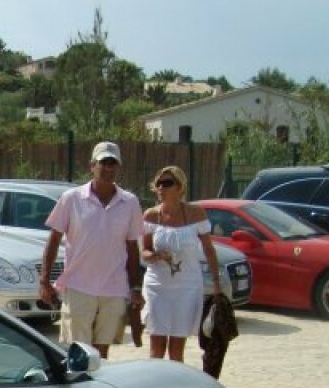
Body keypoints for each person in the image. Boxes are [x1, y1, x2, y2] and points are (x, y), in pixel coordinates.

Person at [39, 141, 145, 358]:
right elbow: (54, 239)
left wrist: (135, 287)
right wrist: (44, 281)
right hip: (78, 285)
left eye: (113, 164)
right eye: (103, 163)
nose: (108, 169)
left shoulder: (130, 202)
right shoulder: (72, 198)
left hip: (114, 287)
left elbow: (132, 247)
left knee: (102, 351)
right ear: (92, 166)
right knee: (79, 351)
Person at [140, 165, 222, 362]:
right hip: (157, 286)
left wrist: (217, 285)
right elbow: (144, 252)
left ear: (180, 186)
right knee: (156, 349)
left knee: (177, 350)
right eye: (158, 183)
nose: (161, 187)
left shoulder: (196, 214)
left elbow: (209, 251)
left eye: (167, 183)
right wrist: (157, 255)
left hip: (186, 286)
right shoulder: (151, 215)